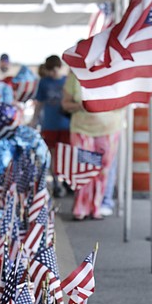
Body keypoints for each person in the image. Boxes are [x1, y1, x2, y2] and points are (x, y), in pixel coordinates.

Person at [61, 73, 121, 219]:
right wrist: (82, 105)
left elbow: (124, 102)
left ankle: (96, 207)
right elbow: (65, 104)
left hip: (108, 129)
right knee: (84, 168)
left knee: (103, 170)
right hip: (82, 129)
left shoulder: (116, 73)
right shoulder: (76, 75)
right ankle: (81, 208)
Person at [34, 56, 71, 198]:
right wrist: (34, 120)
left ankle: (65, 182)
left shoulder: (66, 81)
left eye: (55, 70)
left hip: (65, 124)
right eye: (51, 71)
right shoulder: (44, 82)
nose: (53, 74)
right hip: (49, 124)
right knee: (51, 155)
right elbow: (39, 103)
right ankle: (56, 182)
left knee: (63, 156)